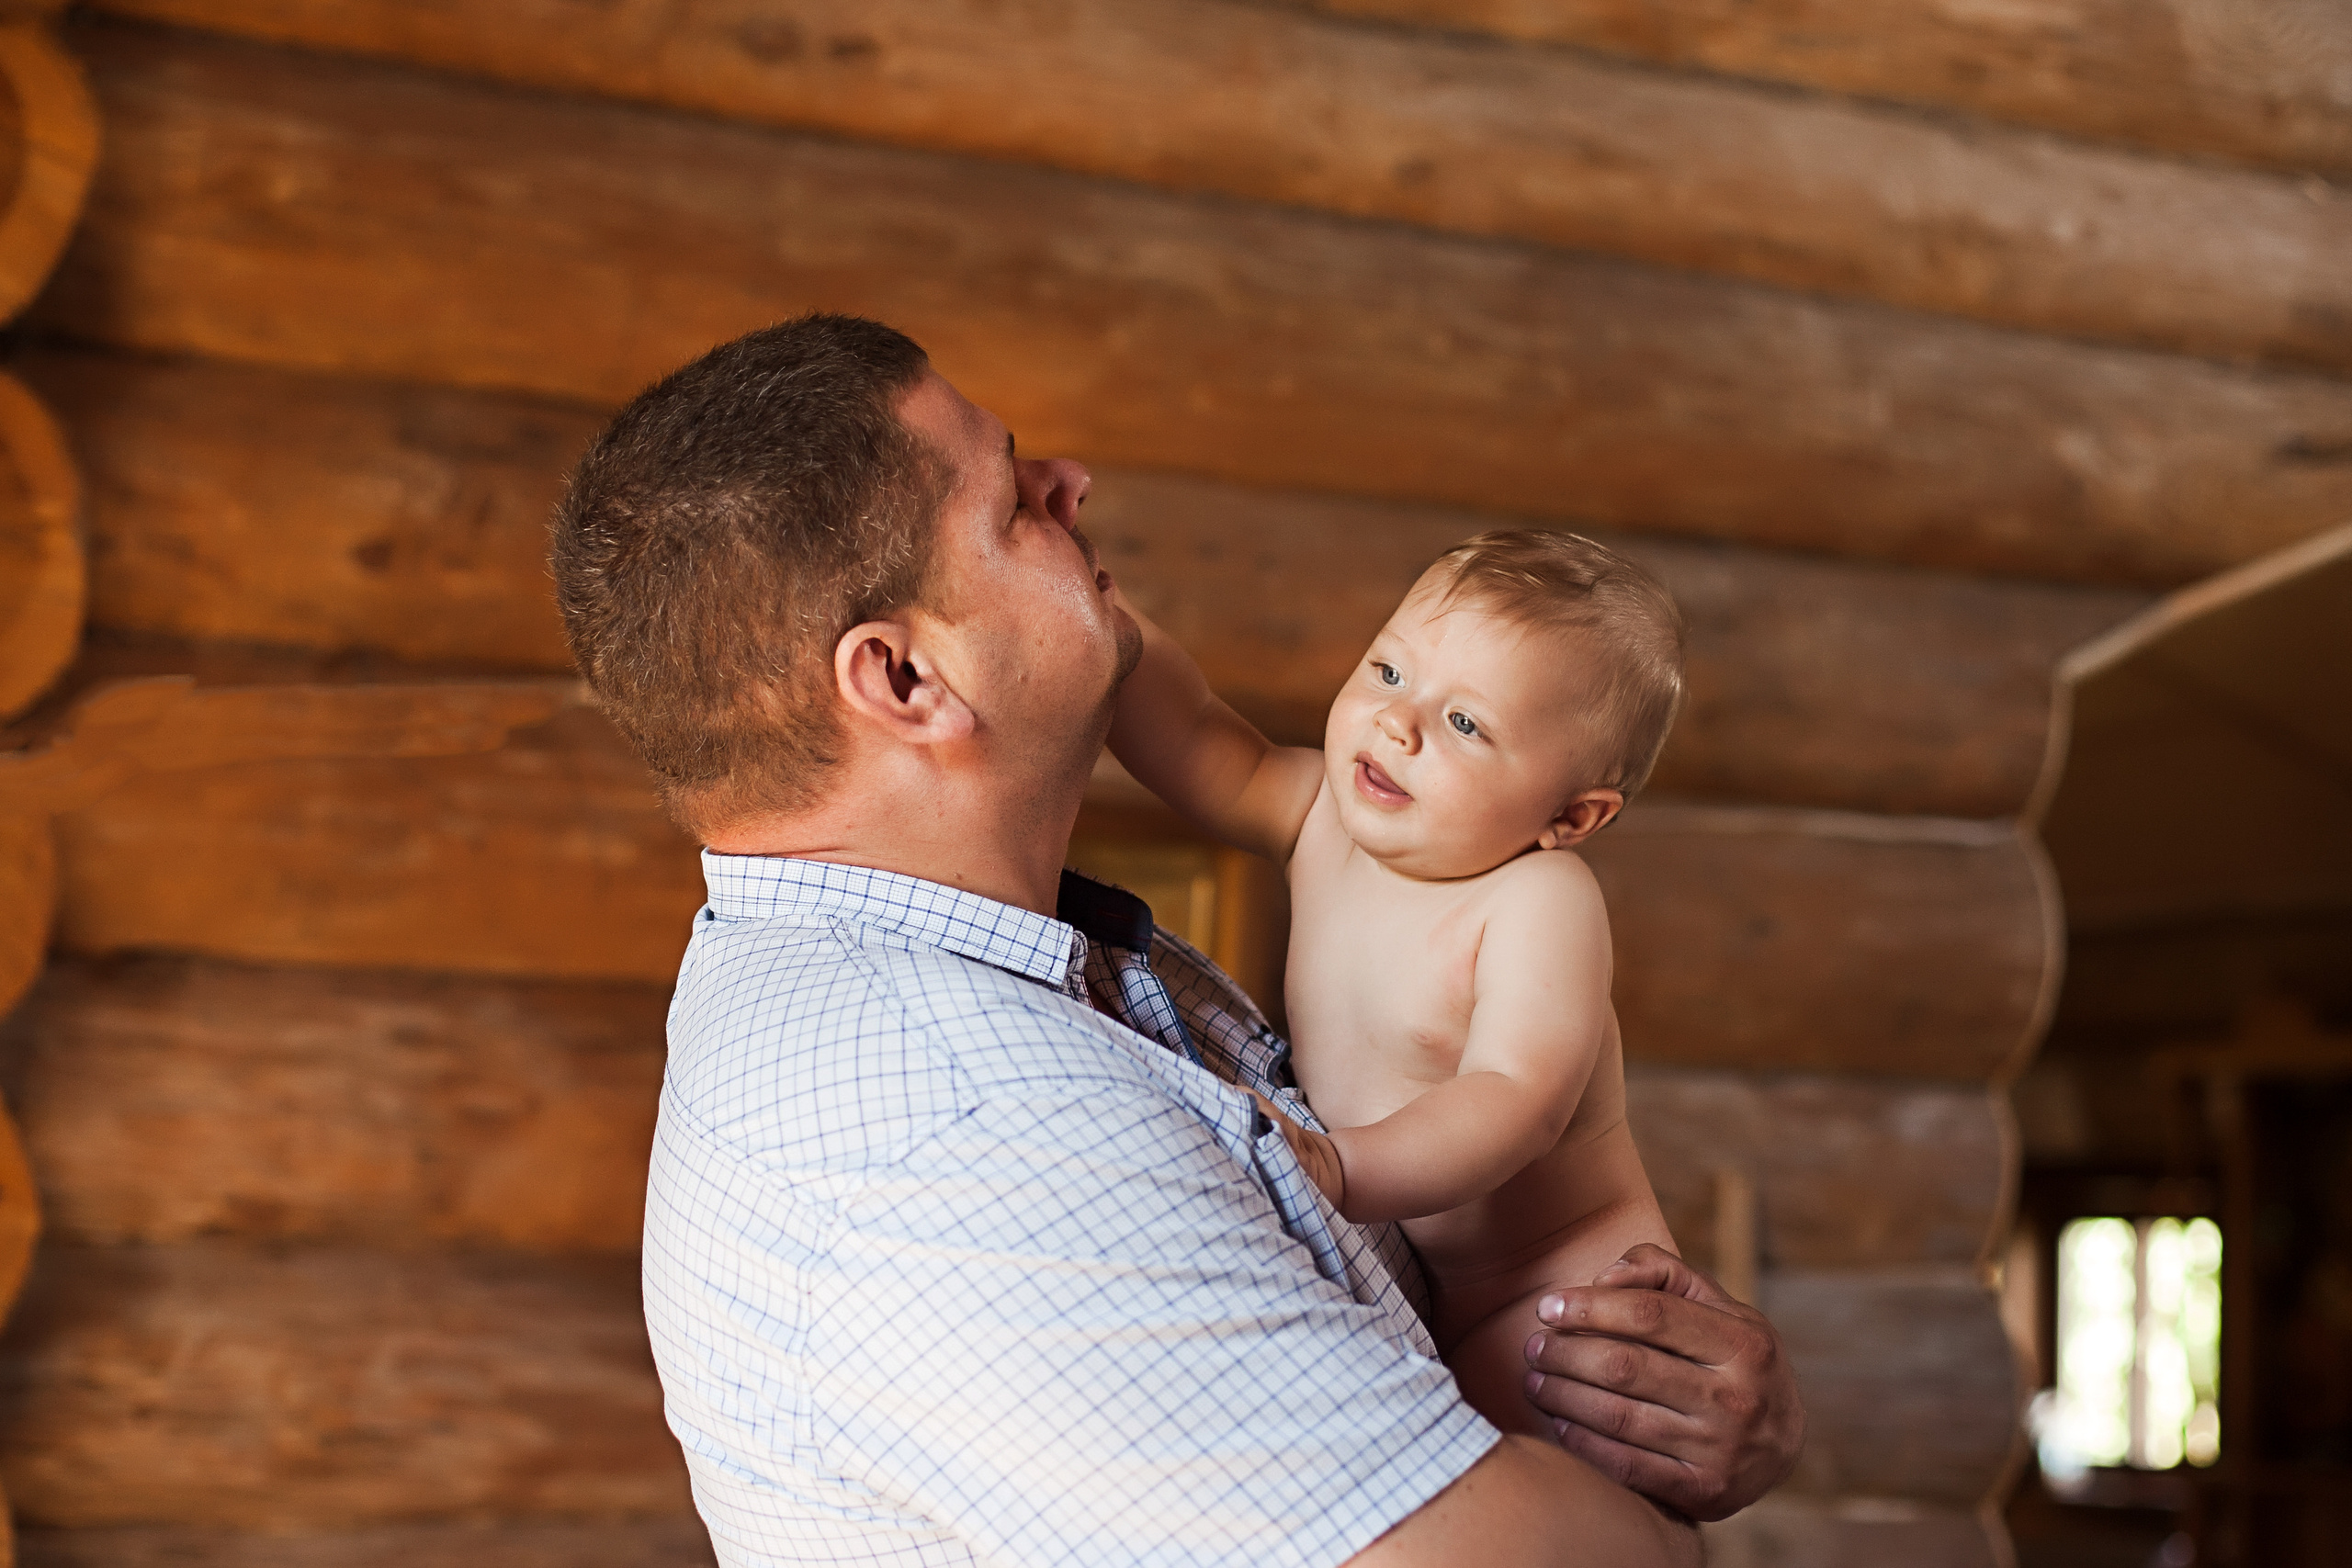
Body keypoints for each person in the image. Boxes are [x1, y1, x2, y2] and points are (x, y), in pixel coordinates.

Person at [550, 314, 1804, 1566]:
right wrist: (1666, 1516)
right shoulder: (959, 1126)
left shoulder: (1035, 974)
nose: (1072, 485)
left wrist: (1686, 1411)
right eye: (1015, 504)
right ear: (905, 680)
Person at [1105, 530, 1680, 1435]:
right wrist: (1102, 617)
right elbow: (1193, 735)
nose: (1395, 723)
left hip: (1556, 1289)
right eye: (1387, 671)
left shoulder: (1536, 901)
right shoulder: (1319, 815)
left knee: (1518, 1506)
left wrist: (1342, 1168)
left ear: (1570, 816)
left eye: (1465, 724)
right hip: (1422, 1276)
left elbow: (1516, 1098)